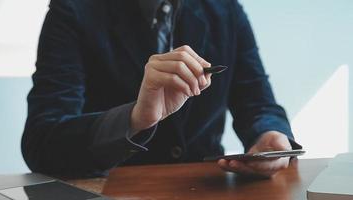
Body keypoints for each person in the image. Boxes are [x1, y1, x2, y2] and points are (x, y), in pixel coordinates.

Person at [22, 0, 301, 178]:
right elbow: (42, 141)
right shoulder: (72, 10)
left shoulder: (226, 10)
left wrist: (270, 137)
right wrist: (135, 119)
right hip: (113, 187)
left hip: (205, 188)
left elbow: (259, 103)